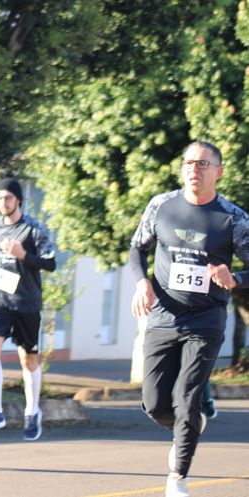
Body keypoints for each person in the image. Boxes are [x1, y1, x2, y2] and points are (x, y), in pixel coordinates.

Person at [128, 140, 249, 497]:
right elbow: (137, 248)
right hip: (163, 314)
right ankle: (191, 424)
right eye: (188, 163)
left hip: (206, 319)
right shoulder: (161, 206)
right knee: (154, 404)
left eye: (203, 164)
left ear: (218, 172)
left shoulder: (233, 218)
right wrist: (141, 283)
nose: (194, 169)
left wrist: (235, 277)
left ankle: (177, 477)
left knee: (187, 396)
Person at [0, 178, 57, 440]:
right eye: (0, 198)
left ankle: (32, 412)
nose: (3, 203)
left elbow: (50, 263)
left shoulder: (34, 229)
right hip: (0, 297)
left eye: (8, 198)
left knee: (28, 359)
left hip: (27, 302)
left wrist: (24, 255)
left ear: (18, 200)